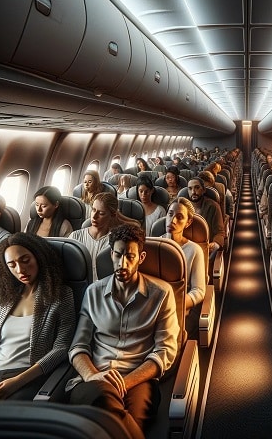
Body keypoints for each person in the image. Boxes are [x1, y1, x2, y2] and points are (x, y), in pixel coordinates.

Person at [66, 224, 179, 438]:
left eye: (130, 256)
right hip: (93, 378)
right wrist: (93, 376)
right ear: (111, 254)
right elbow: (78, 346)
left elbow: (165, 352)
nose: (122, 263)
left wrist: (124, 383)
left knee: (112, 424)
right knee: (114, 413)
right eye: (118, 255)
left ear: (141, 257)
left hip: (137, 379)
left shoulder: (162, 294)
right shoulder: (93, 292)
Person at [0, 232, 75, 400]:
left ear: (38, 257)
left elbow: (61, 348)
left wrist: (18, 381)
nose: (20, 270)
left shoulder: (61, 295)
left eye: (25, 260)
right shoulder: (2, 298)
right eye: (12, 264)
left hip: (27, 375)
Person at [69, 193, 140, 281]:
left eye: (101, 213)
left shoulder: (117, 241)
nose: (94, 216)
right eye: (93, 210)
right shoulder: (75, 237)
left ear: (112, 215)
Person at [163, 197, 206, 337]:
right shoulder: (153, 245)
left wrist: (175, 304)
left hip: (182, 307)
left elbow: (198, 291)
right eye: (170, 214)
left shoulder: (194, 250)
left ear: (188, 223)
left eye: (179, 217)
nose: (172, 221)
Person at [187, 177, 224, 258]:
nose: (193, 192)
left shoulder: (213, 206)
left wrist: (216, 244)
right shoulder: (183, 207)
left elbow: (219, 232)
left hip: (205, 248)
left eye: (197, 188)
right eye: (190, 189)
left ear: (203, 190)